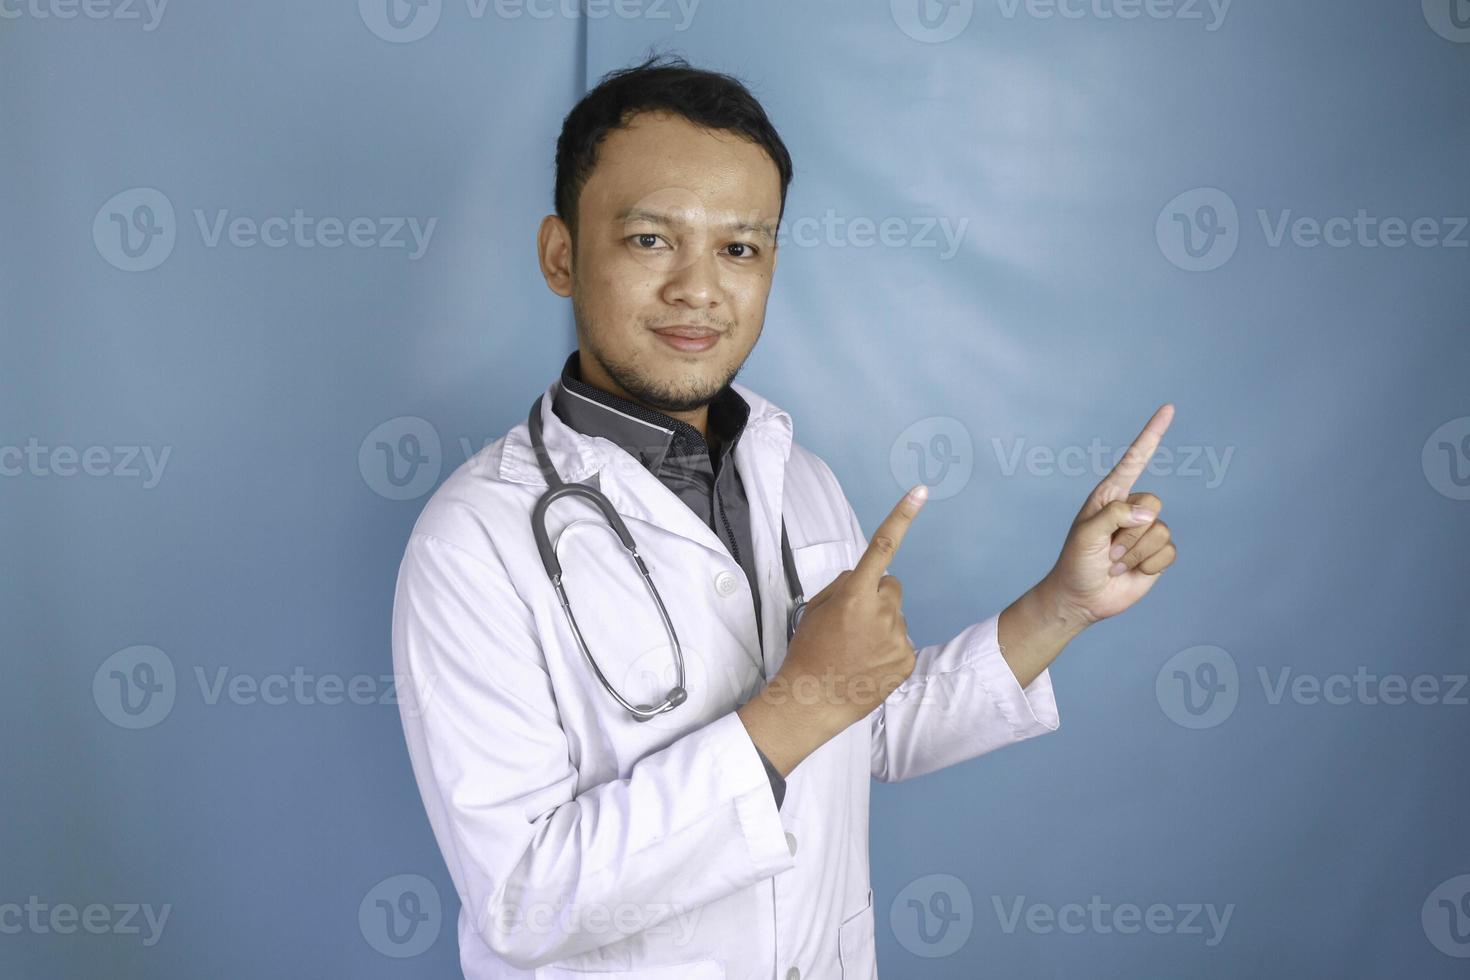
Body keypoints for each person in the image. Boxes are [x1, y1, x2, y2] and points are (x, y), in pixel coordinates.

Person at [391, 53, 1178, 980]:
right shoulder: (474, 540)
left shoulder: (799, 479)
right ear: (562, 255)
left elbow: (867, 727)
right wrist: (804, 701)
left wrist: (1061, 604)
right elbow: (524, 898)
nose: (699, 288)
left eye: (739, 247)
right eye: (650, 240)